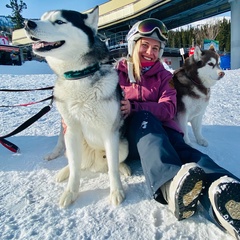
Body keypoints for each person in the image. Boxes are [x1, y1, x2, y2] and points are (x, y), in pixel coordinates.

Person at [116, 18, 240, 239]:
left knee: (188, 152)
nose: (150, 52)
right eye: (144, 45)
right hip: (136, 137)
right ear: (132, 44)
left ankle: (225, 190)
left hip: (166, 131)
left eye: (155, 48)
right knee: (145, 120)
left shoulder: (165, 76)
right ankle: (170, 185)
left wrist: (134, 105)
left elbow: (169, 108)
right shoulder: (116, 74)